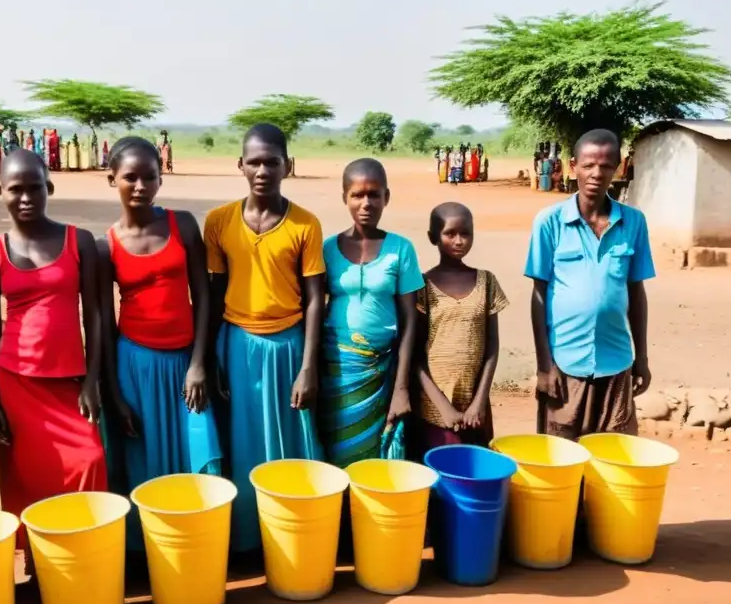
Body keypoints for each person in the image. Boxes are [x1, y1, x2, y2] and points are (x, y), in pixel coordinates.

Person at [0, 150, 106, 564]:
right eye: (16, 189)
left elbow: (97, 315)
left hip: (69, 381)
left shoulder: (77, 240)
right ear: (1, 193)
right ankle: (41, 562)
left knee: (89, 460)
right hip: (15, 379)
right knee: (29, 478)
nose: (26, 197)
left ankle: (84, 555)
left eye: (35, 187)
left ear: (48, 188)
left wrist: (92, 380)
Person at [98, 137, 222, 553]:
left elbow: (203, 296)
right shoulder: (107, 245)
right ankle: (149, 550)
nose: (139, 185)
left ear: (160, 178)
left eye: (149, 176)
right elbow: (104, 321)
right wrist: (114, 395)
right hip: (134, 364)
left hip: (187, 362)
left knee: (198, 450)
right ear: (111, 178)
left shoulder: (182, 224)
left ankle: (196, 544)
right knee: (142, 459)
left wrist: (200, 362)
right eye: (129, 177)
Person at [206, 123, 325, 556]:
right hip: (237, 345)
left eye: (271, 162)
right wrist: (209, 356)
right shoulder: (219, 222)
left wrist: (308, 368)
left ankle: (295, 536)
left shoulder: (305, 224)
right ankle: (247, 541)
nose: (262, 170)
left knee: (291, 439)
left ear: (287, 166)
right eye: (253, 162)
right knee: (243, 440)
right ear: (240, 165)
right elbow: (214, 294)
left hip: (289, 347)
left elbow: (315, 300)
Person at [525, 129, 654, 440]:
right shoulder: (549, 221)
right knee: (561, 459)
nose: (597, 173)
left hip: (616, 363)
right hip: (565, 365)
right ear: (573, 166)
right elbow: (539, 295)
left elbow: (636, 292)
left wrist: (642, 359)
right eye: (588, 165)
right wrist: (545, 366)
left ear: (619, 167)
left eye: (606, 165)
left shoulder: (633, 222)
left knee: (613, 457)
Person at [319, 158, 422, 468]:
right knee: (336, 442)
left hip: (382, 369)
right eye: (357, 195)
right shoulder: (327, 249)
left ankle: (371, 512)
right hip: (336, 369)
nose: (366, 203)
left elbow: (410, 321)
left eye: (374, 195)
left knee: (380, 450)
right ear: (344, 198)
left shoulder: (401, 249)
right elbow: (314, 307)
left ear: (386, 198)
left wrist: (401, 388)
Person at [414, 202, 508, 453]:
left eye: (466, 233)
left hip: (474, 409)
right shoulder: (422, 285)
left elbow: (492, 347)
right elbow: (415, 355)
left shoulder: (486, 282)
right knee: (440, 474)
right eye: (450, 233)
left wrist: (479, 401)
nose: (459, 241)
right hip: (434, 410)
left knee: (474, 470)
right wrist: (442, 406)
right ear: (433, 237)